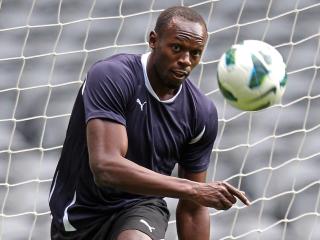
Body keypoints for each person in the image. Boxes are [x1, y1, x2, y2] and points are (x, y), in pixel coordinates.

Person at [49, 5, 250, 240]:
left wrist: (195, 192)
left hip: (141, 205)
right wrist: (194, 189)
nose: (186, 60)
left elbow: (193, 209)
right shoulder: (112, 76)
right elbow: (106, 167)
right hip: (79, 214)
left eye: (195, 53)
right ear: (153, 40)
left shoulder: (201, 112)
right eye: (177, 48)